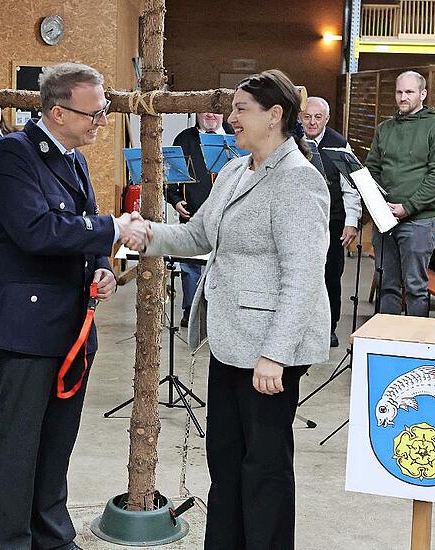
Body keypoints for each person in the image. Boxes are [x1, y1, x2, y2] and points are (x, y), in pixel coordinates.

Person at [130, 69, 330, 549]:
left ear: (275, 116)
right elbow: (199, 235)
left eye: (242, 110)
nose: (231, 118)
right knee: (224, 457)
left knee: (264, 466)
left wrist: (276, 354)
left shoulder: (299, 181)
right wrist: (146, 233)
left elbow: (303, 277)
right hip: (230, 338)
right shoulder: (239, 169)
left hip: (268, 350)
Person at [0, 62, 149, 550]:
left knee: (57, 443)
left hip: (74, 322)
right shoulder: (14, 154)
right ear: (57, 112)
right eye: (94, 113)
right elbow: (35, 231)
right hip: (30, 327)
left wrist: (101, 263)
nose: (101, 121)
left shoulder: (73, 157)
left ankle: (51, 536)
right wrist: (113, 230)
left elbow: (81, 223)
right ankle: (10, 542)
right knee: (20, 444)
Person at [365, 70, 435, 317]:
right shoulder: (385, 129)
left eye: (409, 92)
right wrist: (379, 204)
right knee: (387, 286)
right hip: (385, 220)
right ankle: (386, 342)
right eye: (399, 92)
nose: (403, 97)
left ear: (423, 94)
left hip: (418, 222)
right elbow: (372, 168)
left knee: (415, 286)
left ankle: (416, 346)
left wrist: (408, 207)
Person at [301, 96, 361, 347]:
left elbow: (351, 187)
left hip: (332, 219)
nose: (312, 122)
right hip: (299, 219)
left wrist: (352, 221)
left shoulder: (340, 145)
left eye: (318, 117)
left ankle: (330, 327)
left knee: (330, 274)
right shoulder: (290, 141)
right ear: (300, 118)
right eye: (307, 117)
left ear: (326, 118)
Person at [166, 112, 234, 327]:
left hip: (229, 216)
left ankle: (222, 312)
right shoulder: (184, 139)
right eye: (204, 110)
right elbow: (169, 176)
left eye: (214, 110)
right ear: (196, 113)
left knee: (226, 264)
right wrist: (176, 200)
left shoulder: (236, 137)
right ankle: (191, 311)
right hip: (193, 214)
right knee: (190, 268)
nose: (210, 115)